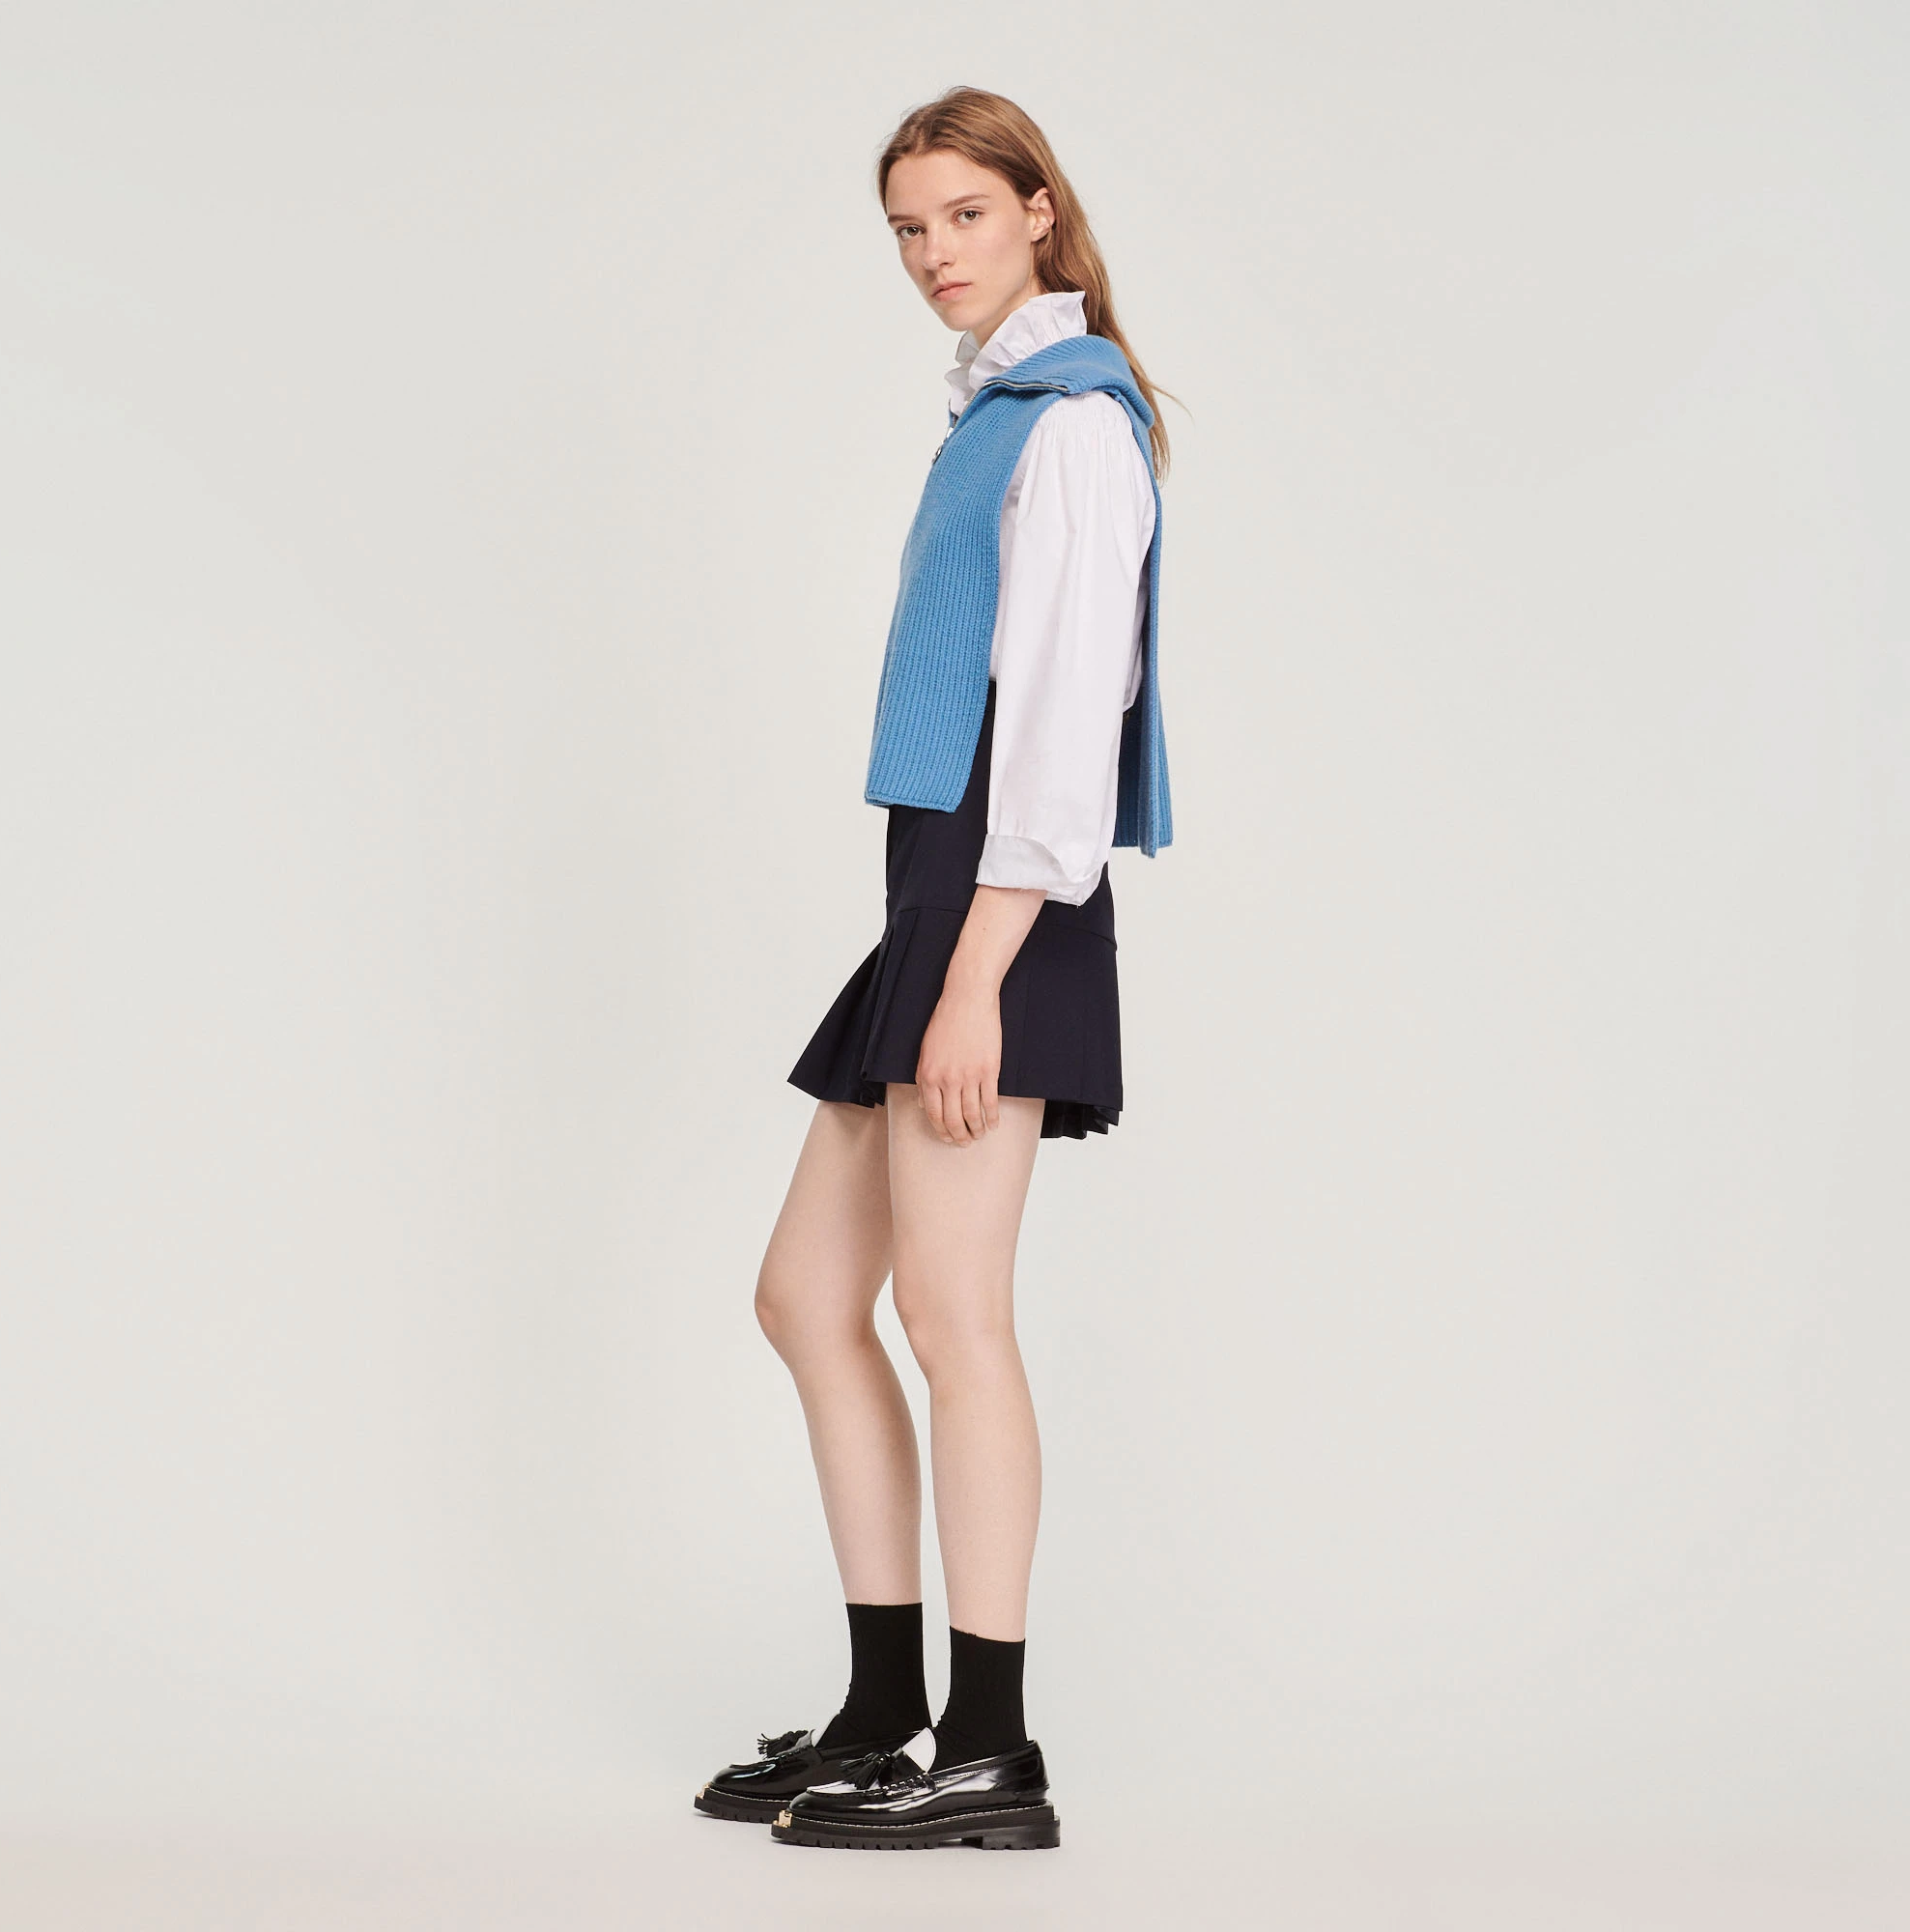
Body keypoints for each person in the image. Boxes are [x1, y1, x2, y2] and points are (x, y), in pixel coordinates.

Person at [693, 85, 1175, 1853]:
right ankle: (885, 1709)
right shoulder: (995, 416)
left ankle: (990, 1748)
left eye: (965, 214)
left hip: (998, 914)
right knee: (806, 1298)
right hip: (933, 903)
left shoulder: (1078, 429)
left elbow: (1063, 731)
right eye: (907, 227)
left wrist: (978, 975)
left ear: (1041, 210)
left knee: (954, 1319)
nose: (931, 253)